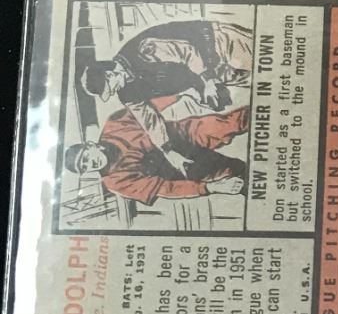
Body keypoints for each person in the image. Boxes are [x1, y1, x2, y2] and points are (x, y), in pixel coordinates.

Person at [64, 95, 249, 207]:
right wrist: (210, 188)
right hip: (183, 168)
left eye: (86, 157)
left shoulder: (115, 124)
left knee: (231, 123)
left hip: (182, 135)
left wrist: (183, 94)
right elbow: (164, 188)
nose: (91, 164)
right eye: (85, 167)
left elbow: (146, 107)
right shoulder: (115, 181)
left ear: (91, 145)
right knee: (237, 173)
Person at [81, 17, 252, 109]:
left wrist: (207, 81)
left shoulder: (142, 49)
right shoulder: (128, 94)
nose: (113, 92)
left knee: (262, 57)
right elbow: (148, 119)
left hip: (217, 43)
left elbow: (187, 52)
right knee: (264, 80)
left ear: (110, 74)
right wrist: (199, 94)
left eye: (110, 88)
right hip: (215, 74)